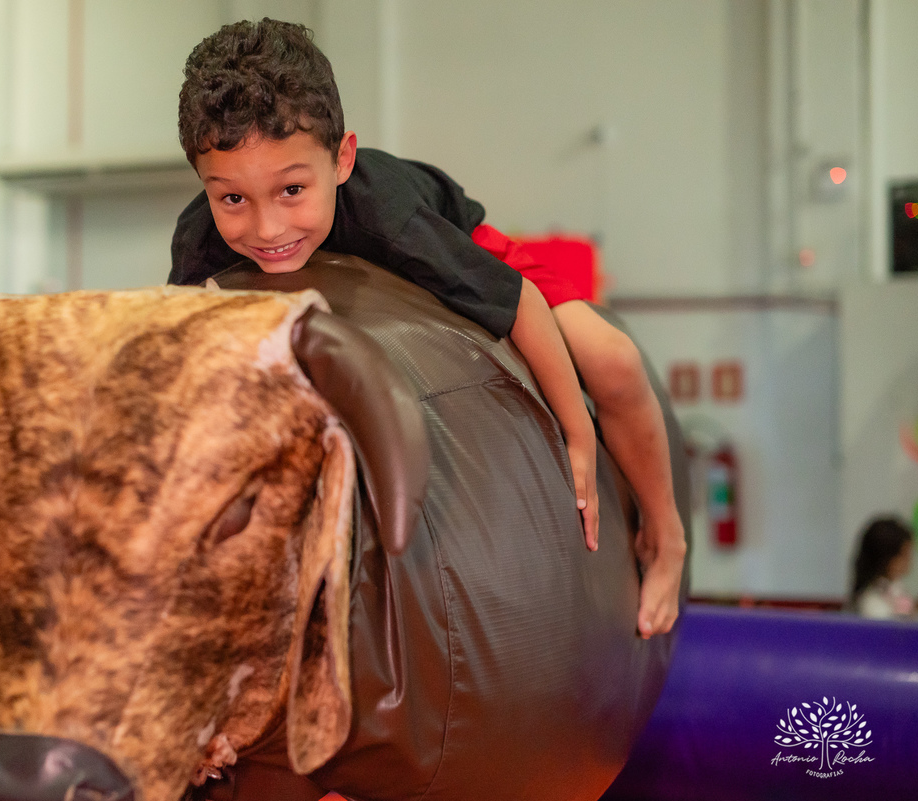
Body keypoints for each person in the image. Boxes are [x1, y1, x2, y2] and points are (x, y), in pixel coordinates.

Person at [168, 18, 685, 638]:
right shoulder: (198, 241)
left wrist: (574, 432)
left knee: (614, 360)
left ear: (342, 159)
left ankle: (670, 535)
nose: (268, 228)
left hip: (463, 236)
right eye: (233, 200)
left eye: (292, 190)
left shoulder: (391, 219)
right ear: (205, 186)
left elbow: (518, 300)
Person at [850, 517, 918, 620]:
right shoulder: (871, 602)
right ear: (886, 559)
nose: (909, 561)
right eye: (904, 555)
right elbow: (893, 630)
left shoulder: (895, 587)